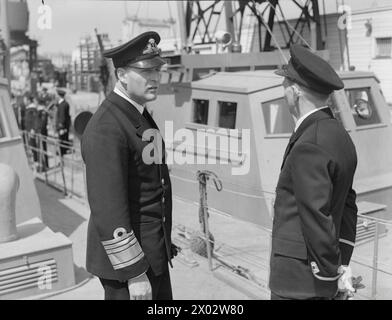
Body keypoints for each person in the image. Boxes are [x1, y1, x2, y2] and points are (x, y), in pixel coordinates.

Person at [81, 31, 177, 300]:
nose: (156, 77)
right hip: (128, 269)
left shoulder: (136, 114)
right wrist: (134, 272)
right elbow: (108, 208)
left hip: (152, 253)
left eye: (157, 70)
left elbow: (151, 187)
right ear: (122, 75)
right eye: (146, 71)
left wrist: (164, 240)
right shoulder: (107, 128)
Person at [269, 44, 358, 300]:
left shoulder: (309, 143)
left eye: (285, 83)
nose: (283, 89)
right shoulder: (339, 136)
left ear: (295, 92)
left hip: (299, 283)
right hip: (322, 274)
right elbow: (348, 205)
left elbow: (316, 215)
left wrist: (332, 276)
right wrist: (341, 264)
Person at [56, 88, 71, 156]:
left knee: (62, 141)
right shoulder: (64, 104)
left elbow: (62, 117)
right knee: (64, 141)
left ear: (59, 96)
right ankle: (63, 153)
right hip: (65, 126)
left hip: (62, 126)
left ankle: (62, 154)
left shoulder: (62, 105)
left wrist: (61, 126)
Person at [36, 98, 49, 171]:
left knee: (42, 149)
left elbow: (43, 123)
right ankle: (44, 165)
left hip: (41, 133)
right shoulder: (41, 111)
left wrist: (40, 130)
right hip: (41, 132)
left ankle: (44, 166)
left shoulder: (42, 112)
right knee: (42, 149)